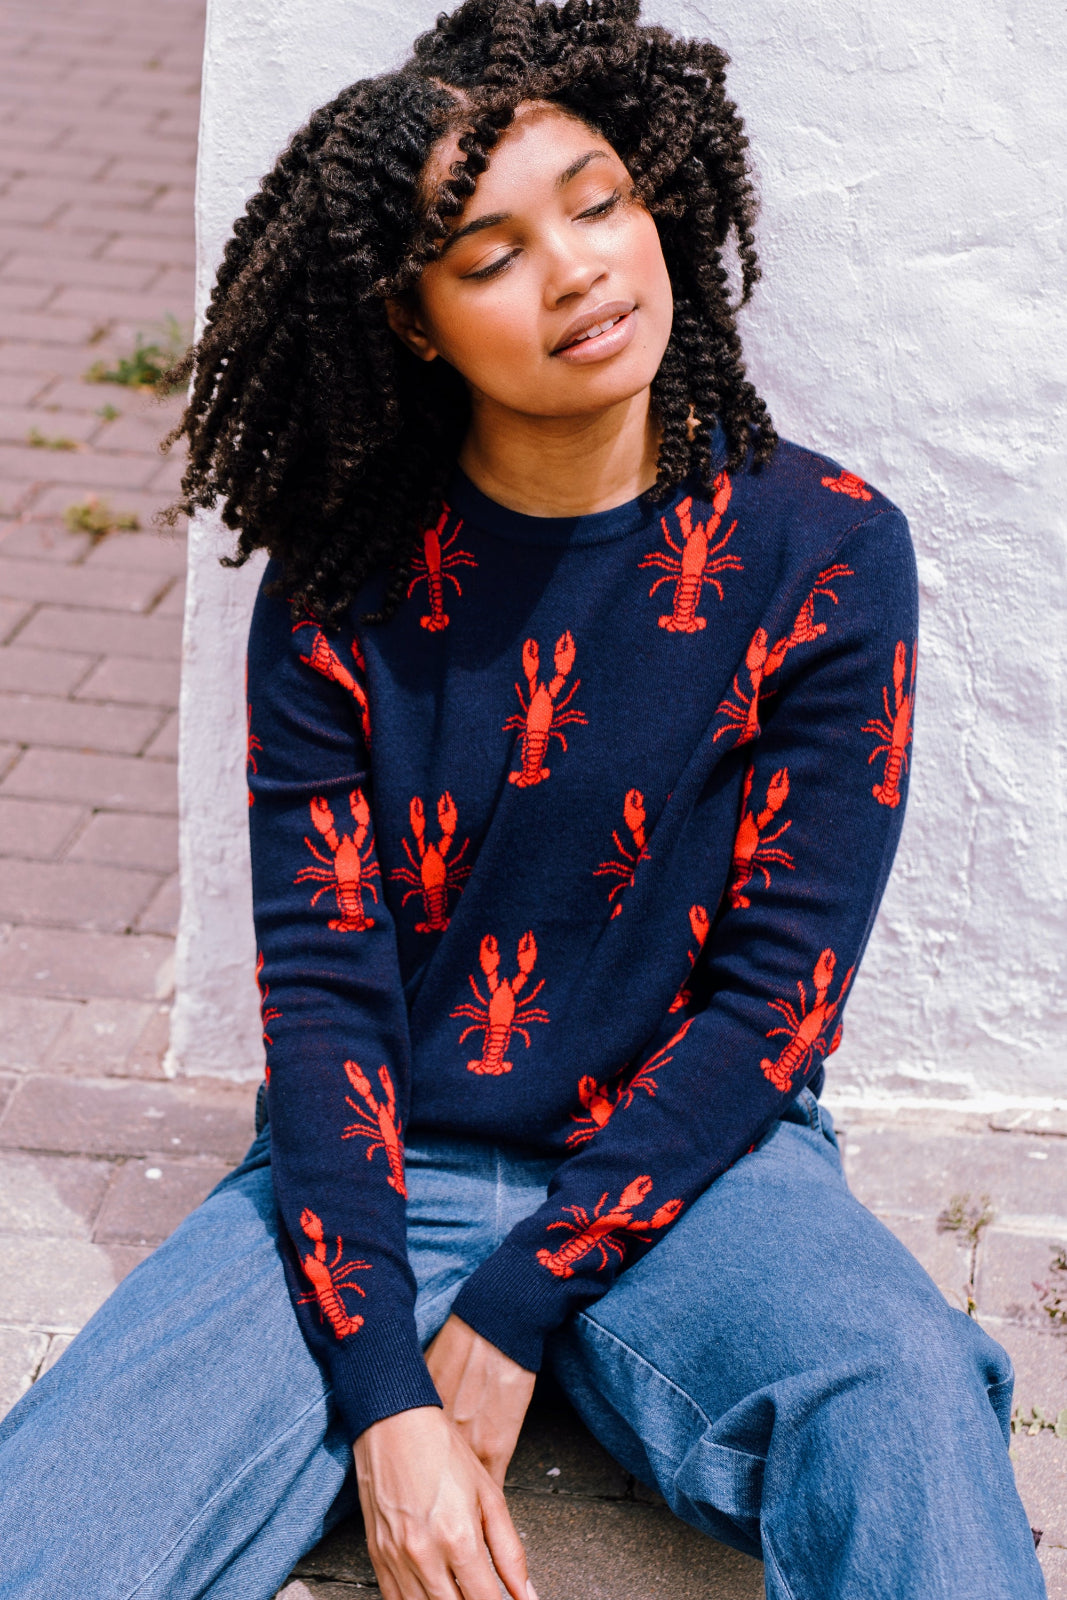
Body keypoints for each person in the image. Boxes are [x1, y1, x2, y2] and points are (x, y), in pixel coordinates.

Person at [0, 3, 1047, 1597]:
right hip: (382, 1168)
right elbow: (327, 1005)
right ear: (413, 322)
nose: (575, 272)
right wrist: (386, 1400)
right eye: (489, 256)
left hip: (703, 1170)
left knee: (904, 1394)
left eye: (599, 202)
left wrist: (510, 1310)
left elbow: (775, 1004)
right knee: (49, 1534)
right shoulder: (342, 587)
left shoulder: (826, 553)